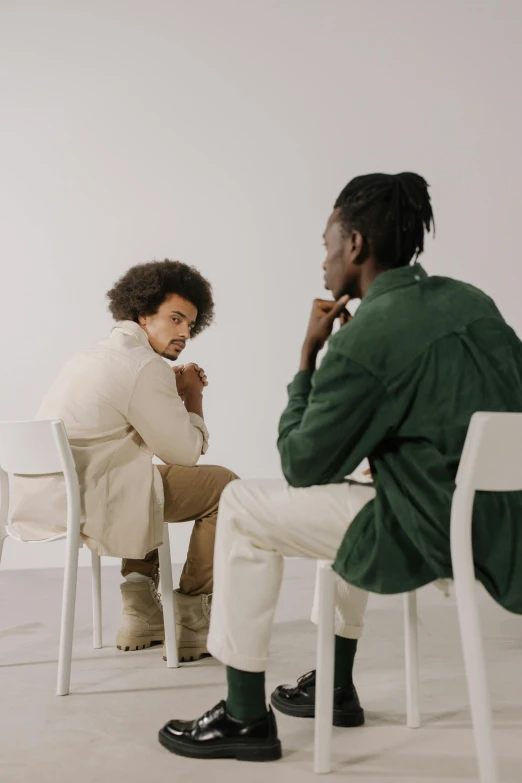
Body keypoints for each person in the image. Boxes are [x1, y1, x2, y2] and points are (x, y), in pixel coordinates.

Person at [158, 173, 522, 762]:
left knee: (245, 504)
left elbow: (302, 465)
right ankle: (334, 683)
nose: (323, 258)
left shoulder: (369, 336)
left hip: (429, 533)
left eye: (327, 242)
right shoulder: (471, 301)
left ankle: (244, 716)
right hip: (503, 526)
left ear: (355, 245)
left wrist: (310, 360)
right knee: (354, 490)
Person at [10, 260, 238, 662]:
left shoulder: (90, 355)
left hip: (40, 496)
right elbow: (184, 453)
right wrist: (191, 394)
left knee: (142, 476)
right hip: (92, 500)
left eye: (190, 324)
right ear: (143, 312)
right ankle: (190, 616)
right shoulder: (143, 365)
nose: (185, 332)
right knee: (226, 488)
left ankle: (140, 611)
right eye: (175, 318)